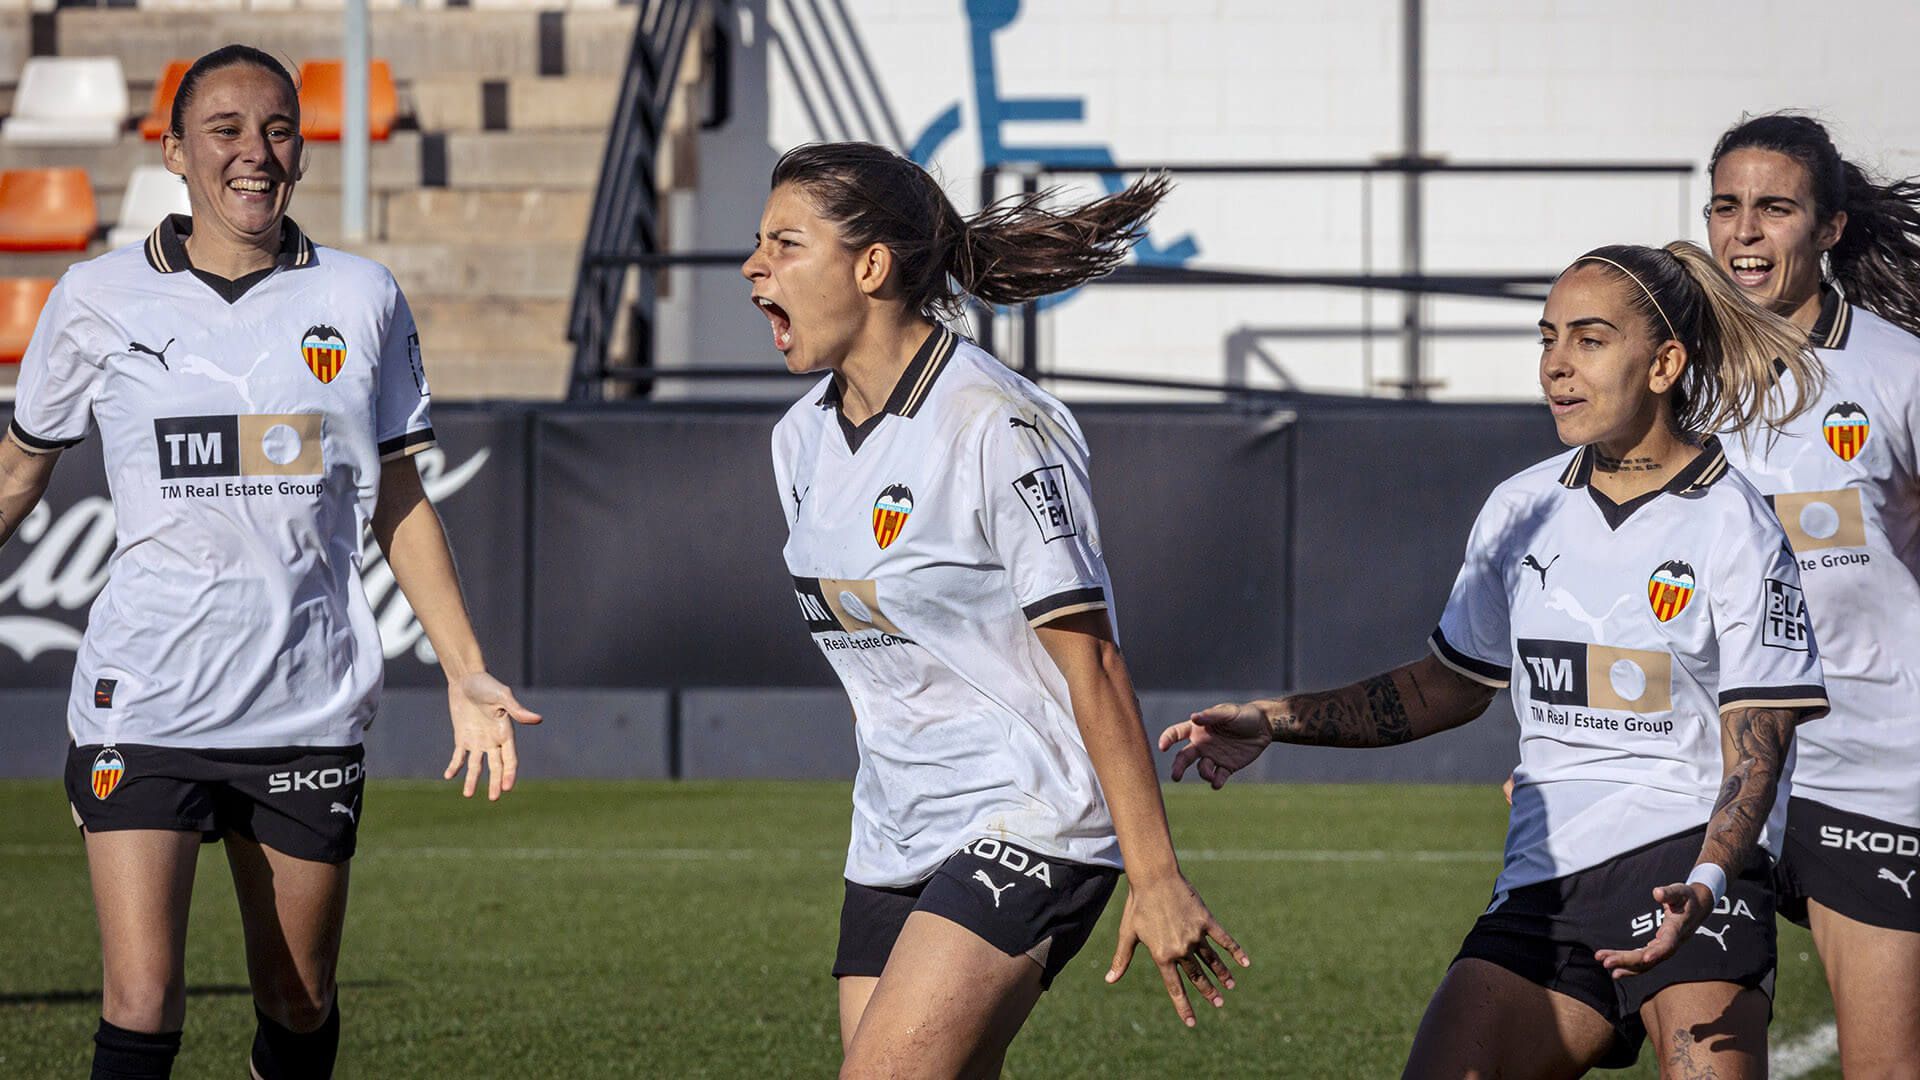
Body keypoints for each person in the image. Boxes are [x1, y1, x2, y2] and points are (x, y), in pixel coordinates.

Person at [1160, 241, 1828, 1076]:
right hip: (1545, 881)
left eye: (1588, 340)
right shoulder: (1519, 506)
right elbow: (1445, 686)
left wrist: (1712, 878)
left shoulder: (1736, 524)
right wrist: (1272, 719)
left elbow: (1758, 750)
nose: (1556, 366)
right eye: (1547, 339)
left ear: (1664, 363)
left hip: (1685, 861)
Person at [0, 45, 539, 1080]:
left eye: (279, 128)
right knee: (142, 998)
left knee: (297, 1003)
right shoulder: (94, 297)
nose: (255, 152)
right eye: (227, 130)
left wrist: (465, 668)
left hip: (303, 701)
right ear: (175, 154)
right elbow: (19, 474)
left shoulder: (364, 295)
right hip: (141, 698)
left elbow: (398, 497)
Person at [743, 142, 1246, 1078]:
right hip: (893, 826)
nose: (754, 266)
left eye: (785, 242)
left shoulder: (995, 425)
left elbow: (1090, 662)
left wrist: (1156, 874)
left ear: (870, 265)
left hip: (1036, 811)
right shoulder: (797, 440)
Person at [1706, 111, 1920, 1075]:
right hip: (1707, 783)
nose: (1744, 230)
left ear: (1829, 228)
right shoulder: (1678, 377)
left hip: (1868, 770)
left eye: (1774, 208)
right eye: (1726, 206)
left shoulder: (1897, 372)